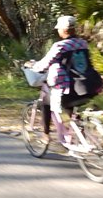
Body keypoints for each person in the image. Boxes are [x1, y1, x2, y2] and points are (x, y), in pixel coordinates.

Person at [24, 15, 89, 144]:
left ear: (64, 30)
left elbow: (44, 64)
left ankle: (46, 135)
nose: (58, 31)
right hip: (84, 84)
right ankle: (76, 130)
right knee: (68, 106)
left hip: (65, 86)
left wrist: (31, 65)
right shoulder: (83, 43)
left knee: (45, 102)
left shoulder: (60, 46)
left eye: (59, 29)